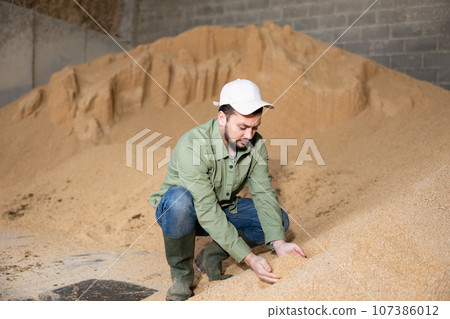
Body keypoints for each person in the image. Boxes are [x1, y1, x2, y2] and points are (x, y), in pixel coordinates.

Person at [149, 79, 306, 301]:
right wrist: (250, 259)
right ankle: (182, 278)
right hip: (182, 211)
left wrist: (279, 244)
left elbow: (263, 193)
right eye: (242, 127)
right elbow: (206, 209)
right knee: (179, 201)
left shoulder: (255, 145)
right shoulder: (192, 146)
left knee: (278, 221)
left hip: (223, 207)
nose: (249, 135)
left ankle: (210, 257)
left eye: (255, 127)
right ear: (222, 118)